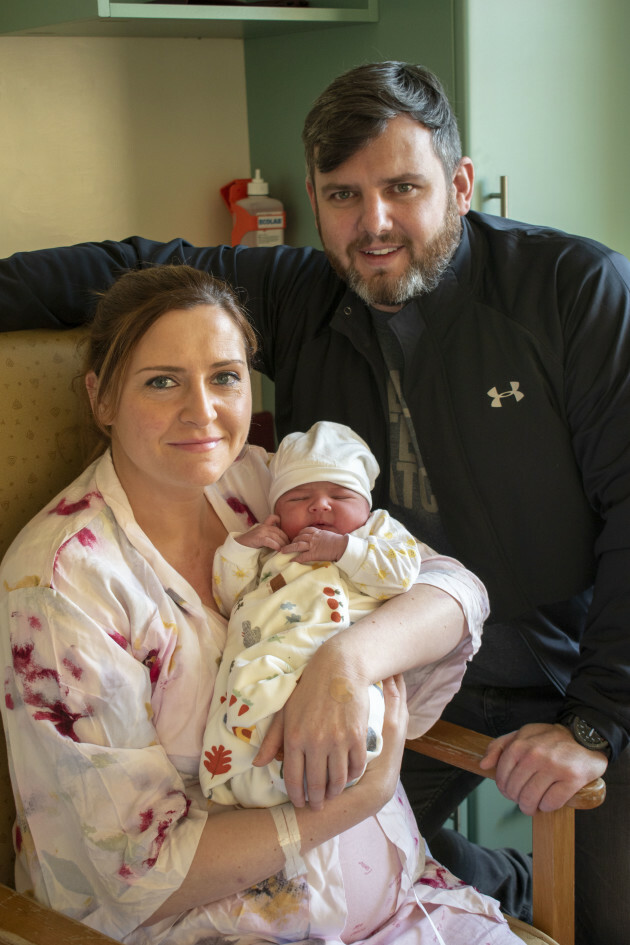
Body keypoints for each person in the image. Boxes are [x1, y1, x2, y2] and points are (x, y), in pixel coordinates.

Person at [0, 60, 628, 943]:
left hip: (567, 664)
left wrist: (597, 720)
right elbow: (141, 276)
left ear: (459, 183)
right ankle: (494, 877)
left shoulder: (572, 291)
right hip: (403, 676)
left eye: (403, 188)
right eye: (343, 195)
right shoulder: (307, 293)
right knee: (368, 841)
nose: (373, 225)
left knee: (611, 916)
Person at [0, 263, 525, 945]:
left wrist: (345, 661)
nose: (203, 410)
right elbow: (131, 872)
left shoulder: (258, 482)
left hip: (403, 903)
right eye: (162, 381)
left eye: (224, 376)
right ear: (101, 398)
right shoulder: (63, 583)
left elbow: (453, 590)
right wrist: (350, 805)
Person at [202, 419, 424, 806]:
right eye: (298, 497)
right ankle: (252, 775)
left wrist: (343, 549)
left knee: (359, 711)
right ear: (277, 510)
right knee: (246, 696)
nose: (320, 505)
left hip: (341, 663)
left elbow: (405, 571)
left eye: (339, 495)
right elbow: (227, 597)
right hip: (269, 651)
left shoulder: (375, 533)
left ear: (368, 508)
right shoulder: (274, 545)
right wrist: (243, 548)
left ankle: (327, 769)